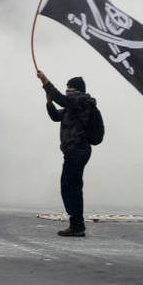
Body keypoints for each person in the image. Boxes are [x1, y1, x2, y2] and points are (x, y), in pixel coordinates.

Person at [36, 70, 96, 237]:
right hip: (74, 151)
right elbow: (56, 116)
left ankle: (77, 226)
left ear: (75, 89)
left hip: (78, 150)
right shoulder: (74, 106)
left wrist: (44, 80)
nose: (67, 91)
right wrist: (49, 103)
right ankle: (77, 224)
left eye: (69, 88)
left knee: (71, 187)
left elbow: (61, 98)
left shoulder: (81, 101)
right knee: (71, 187)